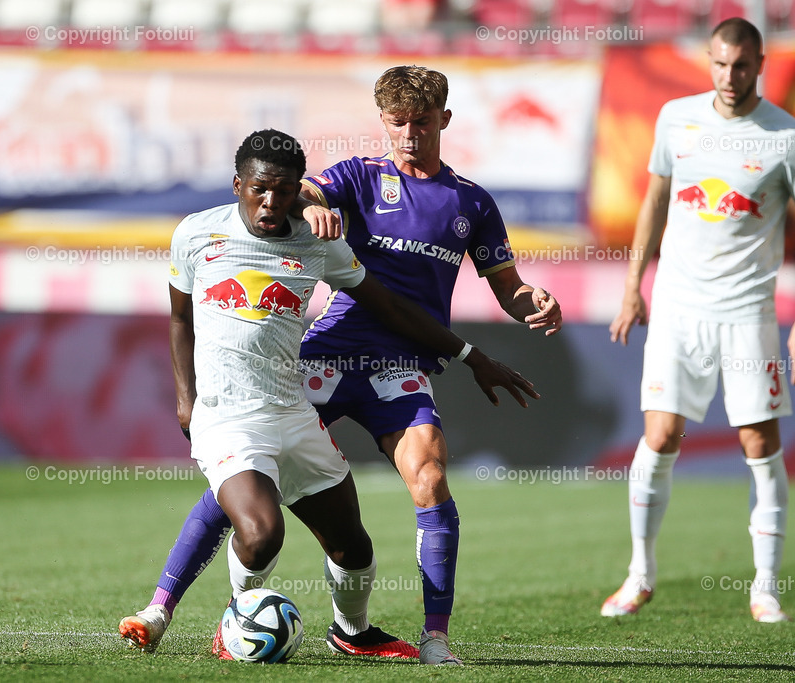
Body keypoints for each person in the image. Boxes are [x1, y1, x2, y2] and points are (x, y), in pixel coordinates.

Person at [120, 67, 563, 665]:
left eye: (422, 121)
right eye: (397, 121)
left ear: (445, 122)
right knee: (245, 463)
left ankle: (432, 638)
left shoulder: (471, 203)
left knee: (429, 477)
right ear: (383, 122)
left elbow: (505, 285)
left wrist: (527, 300)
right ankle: (166, 605)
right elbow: (301, 191)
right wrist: (316, 205)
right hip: (328, 354)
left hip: (400, 363)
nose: (408, 133)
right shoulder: (357, 176)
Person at [602, 18, 793, 623]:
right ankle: (639, 575)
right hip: (679, 307)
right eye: (719, 64)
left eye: (740, 66)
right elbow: (654, 200)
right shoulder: (676, 118)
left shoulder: (785, 136)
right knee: (659, 437)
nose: (728, 77)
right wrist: (633, 288)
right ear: (707, 62)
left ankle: (764, 587)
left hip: (747, 311)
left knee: (759, 444)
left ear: (760, 64)